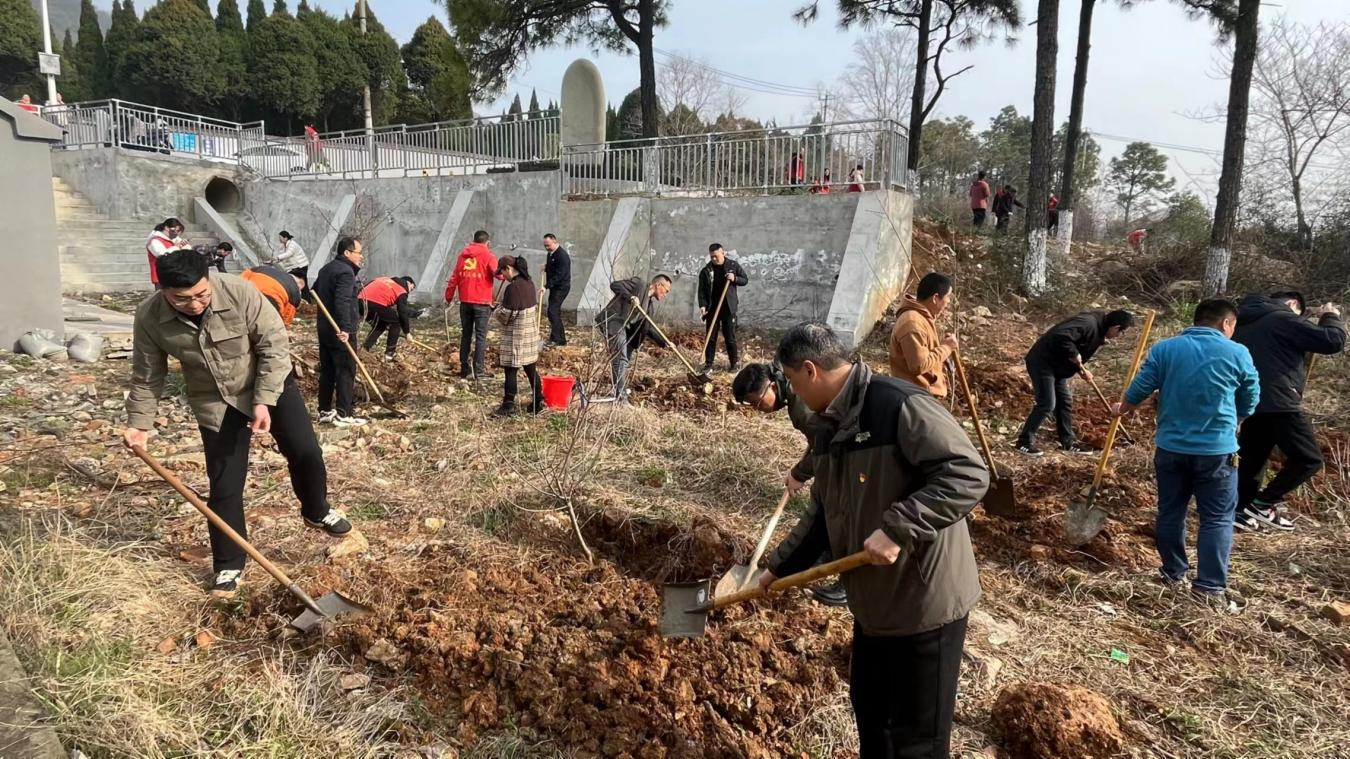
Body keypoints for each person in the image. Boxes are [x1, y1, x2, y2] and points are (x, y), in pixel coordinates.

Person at [758, 322, 987, 758]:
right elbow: (822, 513)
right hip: (873, 606)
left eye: (790, 380)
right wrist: (777, 568)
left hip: (923, 603)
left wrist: (899, 527)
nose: (793, 392)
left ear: (810, 370)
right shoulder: (826, 427)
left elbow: (967, 473)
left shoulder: (897, 405)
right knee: (872, 716)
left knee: (916, 740)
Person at [123, 250, 351, 598]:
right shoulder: (149, 316)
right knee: (225, 483)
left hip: (269, 382)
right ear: (163, 290)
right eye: (181, 299)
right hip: (215, 399)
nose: (194, 304)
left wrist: (263, 400)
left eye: (201, 295)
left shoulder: (239, 292)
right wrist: (139, 424)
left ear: (209, 280)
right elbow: (147, 374)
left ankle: (317, 510)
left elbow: (274, 345)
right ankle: (228, 563)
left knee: (305, 451)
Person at [1115, 299, 1259, 612]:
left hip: (1171, 449)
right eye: (1233, 327)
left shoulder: (1166, 349)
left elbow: (1142, 385)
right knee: (1217, 519)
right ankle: (1209, 587)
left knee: (1170, 511)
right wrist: (1239, 418)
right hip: (1217, 451)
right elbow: (1251, 394)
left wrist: (1123, 407)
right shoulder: (1237, 352)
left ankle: (1173, 573)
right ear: (1226, 324)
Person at [732, 362, 846, 607]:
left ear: (772, 386)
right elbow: (818, 439)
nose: (758, 409)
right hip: (837, 447)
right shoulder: (792, 389)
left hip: (851, 452)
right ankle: (827, 551)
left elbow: (825, 446)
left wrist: (799, 473)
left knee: (840, 506)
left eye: (757, 402)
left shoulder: (801, 405)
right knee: (826, 498)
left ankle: (849, 581)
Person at [1231, 292, 1345, 532]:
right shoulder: (1282, 318)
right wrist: (1329, 316)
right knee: (1308, 459)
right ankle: (1263, 504)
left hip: (1248, 401)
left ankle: (1240, 511)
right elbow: (1332, 341)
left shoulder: (1241, 322)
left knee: (1253, 460)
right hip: (1280, 401)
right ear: (1293, 303)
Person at [1016, 309, 1135, 456]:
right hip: (1043, 362)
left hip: (1057, 367)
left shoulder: (1099, 330)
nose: (1119, 336)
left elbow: (1077, 349)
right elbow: (1061, 335)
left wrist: (1080, 370)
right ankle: (1024, 442)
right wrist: (1074, 353)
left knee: (1064, 402)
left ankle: (1068, 443)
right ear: (1116, 327)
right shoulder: (1088, 323)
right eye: (1121, 332)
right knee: (1047, 403)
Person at [312, 237, 367, 427]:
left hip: (325, 328)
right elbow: (342, 301)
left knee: (327, 370)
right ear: (347, 253)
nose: (361, 256)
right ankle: (344, 413)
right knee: (346, 370)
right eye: (359, 253)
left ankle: (324, 410)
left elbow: (314, 292)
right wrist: (345, 328)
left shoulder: (326, 269)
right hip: (340, 331)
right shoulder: (345, 272)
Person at [594, 274, 674, 402]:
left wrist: (664, 342)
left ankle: (619, 390)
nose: (665, 294)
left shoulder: (649, 308)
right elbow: (615, 285)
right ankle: (621, 397)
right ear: (659, 285)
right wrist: (630, 297)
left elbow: (648, 329)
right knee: (620, 359)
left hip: (624, 329)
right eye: (666, 290)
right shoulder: (639, 284)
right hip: (613, 320)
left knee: (623, 361)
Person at [888, 272, 959, 399]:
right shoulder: (912, 323)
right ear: (935, 298)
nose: (948, 301)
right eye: (948, 297)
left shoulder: (922, 318)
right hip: (915, 398)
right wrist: (946, 348)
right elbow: (919, 365)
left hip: (922, 394)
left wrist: (942, 347)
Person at [492, 256, 543, 417]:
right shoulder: (529, 283)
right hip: (530, 333)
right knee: (531, 368)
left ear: (508, 268)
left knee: (510, 370)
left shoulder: (513, 288)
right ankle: (538, 401)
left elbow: (507, 315)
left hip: (516, 335)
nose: (503, 276)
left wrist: (494, 310)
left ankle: (508, 405)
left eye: (502, 272)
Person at [444, 230, 499, 380]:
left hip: (465, 302)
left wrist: (448, 297)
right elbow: (499, 274)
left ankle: (465, 369)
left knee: (466, 335)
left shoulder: (462, 255)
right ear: (487, 242)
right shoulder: (488, 256)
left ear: (473, 240)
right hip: (482, 303)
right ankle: (479, 371)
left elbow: (454, 278)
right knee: (480, 337)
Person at [697, 243, 749, 373]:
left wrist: (734, 278)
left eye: (716, 256)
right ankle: (708, 365)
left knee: (730, 337)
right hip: (712, 308)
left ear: (723, 253)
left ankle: (734, 364)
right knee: (711, 337)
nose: (714, 259)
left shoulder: (732, 266)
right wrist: (702, 305)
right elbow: (701, 290)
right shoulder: (706, 271)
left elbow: (745, 279)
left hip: (728, 308)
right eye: (712, 257)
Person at [359, 276, 416, 361]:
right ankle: (389, 354)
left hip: (359, 300)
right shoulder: (401, 290)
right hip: (374, 303)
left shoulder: (384, 279)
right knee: (396, 322)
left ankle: (365, 348)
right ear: (408, 283)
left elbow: (365, 287)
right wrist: (407, 333)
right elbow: (402, 312)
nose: (409, 292)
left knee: (381, 324)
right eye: (412, 288)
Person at [240, 264, 305, 327]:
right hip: (270, 303)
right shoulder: (295, 293)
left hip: (248, 293)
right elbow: (286, 317)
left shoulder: (262, 268)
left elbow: (243, 277)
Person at [542, 233, 571, 347]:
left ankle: (557, 339)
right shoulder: (551, 253)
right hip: (555, 287)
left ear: (555, 241)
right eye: (545, 245)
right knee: (554, 312)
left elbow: (559, 275)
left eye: (548, 245)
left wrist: (546, 286)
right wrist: (546, 267)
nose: (546, 248)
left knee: (552, 311)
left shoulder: (562, 256)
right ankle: (560, 339)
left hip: (561, 287)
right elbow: (553, 266)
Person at [146, 218, 188, 288]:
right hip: (161, 277)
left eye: (178, 231)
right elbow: (162, 255)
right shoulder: (155, 241)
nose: (176, 233)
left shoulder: (173, 239)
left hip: (173, 275)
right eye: (174, 230)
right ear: (166, 228)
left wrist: (184, 245)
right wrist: (176, 247)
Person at [272, 231, 310, 295]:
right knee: (301, 285)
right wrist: (273, 261)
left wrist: (278, 257)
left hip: (300, 267)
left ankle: (304, 297)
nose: (279, 239)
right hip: (294, 267)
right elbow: (283, 256)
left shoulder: (292, 244)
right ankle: (305, 297)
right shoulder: (283, 246)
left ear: (285, 238)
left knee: (299, 284)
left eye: (280, 237)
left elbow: (288, 254)